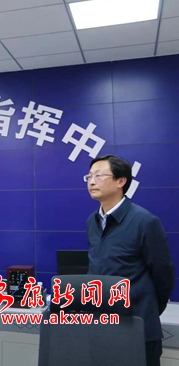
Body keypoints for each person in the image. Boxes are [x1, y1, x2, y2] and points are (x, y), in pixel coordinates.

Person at [85, 155, 174, 366]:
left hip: (137, 327)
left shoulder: (145, 221)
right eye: (89, 176)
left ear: (121, 181)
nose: (92, 181)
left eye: (99, 175)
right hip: (101, 325)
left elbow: (163, 275)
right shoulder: (93, 221)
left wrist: (146, 309)